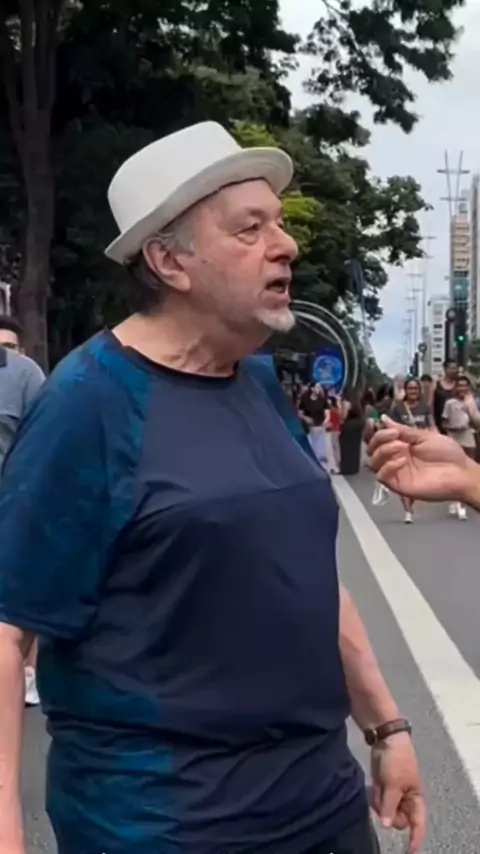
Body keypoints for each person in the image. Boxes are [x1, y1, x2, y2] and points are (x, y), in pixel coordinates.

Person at [0, 122, 424, 854]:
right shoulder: (88, 403)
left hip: (322, 805)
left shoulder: (258, 384)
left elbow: (307, 575)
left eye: (280, 224)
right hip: (164, 825)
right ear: (169, 260)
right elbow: (9, 630)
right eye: (250, 229)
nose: (286, 245)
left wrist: (387, 728)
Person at [0, 315, 45, 707]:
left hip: (12, 503)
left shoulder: (24, 374)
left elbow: (45, 438)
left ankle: (27, 673)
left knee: (15, 600)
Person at [389, 378, 434, 524]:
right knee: (404, 479)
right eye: (410, 388)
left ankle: (411, 502)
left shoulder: (425, 407)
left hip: (420, 447)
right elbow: (391, 425)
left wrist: (437, 439)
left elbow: (431, 425)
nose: (413, 391)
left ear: (419, 391)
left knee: (416, 481)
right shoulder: (398, 408)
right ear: (405, 390)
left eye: (415, 389)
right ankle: (407, 511)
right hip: (402, 446)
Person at [441, 374, 480, 520]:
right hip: (453, 438)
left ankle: (463, 503)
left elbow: (477, 423)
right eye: (460, 385)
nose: (462, 388)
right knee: (454, 471)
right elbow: (443, 423)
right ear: (455, 387)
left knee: (468, 471)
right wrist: (453, 427)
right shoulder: (450, 403)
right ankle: (454, 499)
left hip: (468, 438)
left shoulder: (472, 402)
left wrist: (470, 410)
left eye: (465, 385)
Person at [433, 359, 458, 432]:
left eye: (456, 368)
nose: (455, 370)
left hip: (456, 423)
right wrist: (433, 424)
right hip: (439, 422)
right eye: (452, 368)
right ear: (445, 369)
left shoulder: (459, 384)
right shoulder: (436, 384)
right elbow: (430, 406)